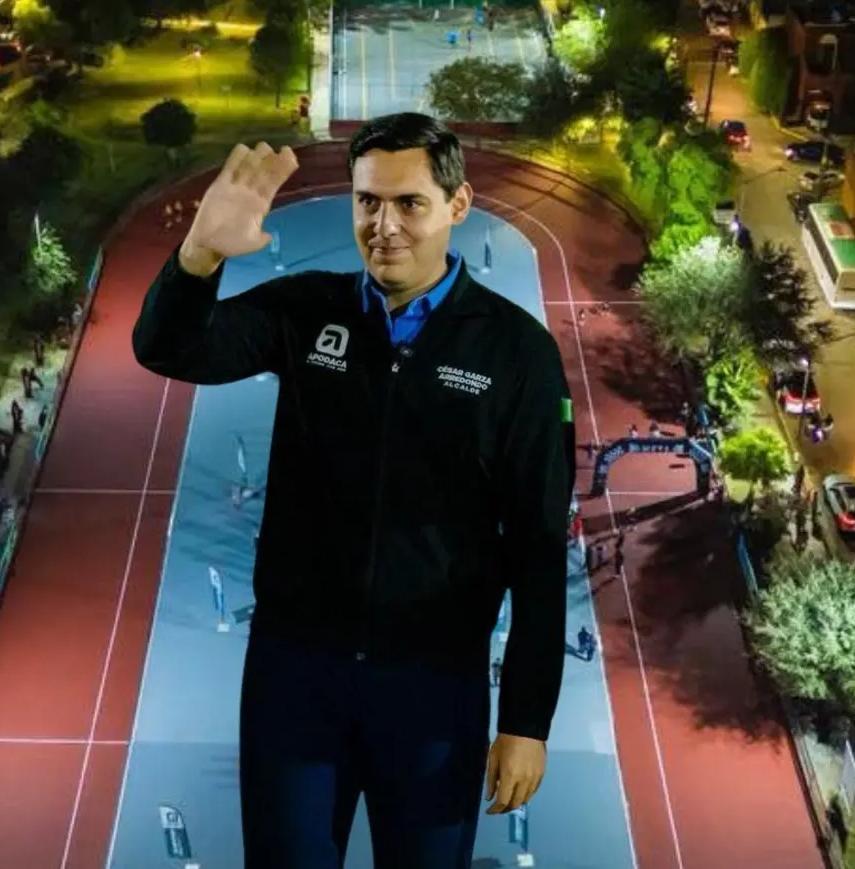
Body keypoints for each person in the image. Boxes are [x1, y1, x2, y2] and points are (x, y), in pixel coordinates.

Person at [132, 113, 575, 869]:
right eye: (367, 201)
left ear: (457, 205)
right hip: (295, 675)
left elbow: (537, 544)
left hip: (433, 689)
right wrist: (198, 255)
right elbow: (168, 348)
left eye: (409, 203)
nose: (384, 225)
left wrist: (526, 719)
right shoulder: (307, 310)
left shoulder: (517, 352)